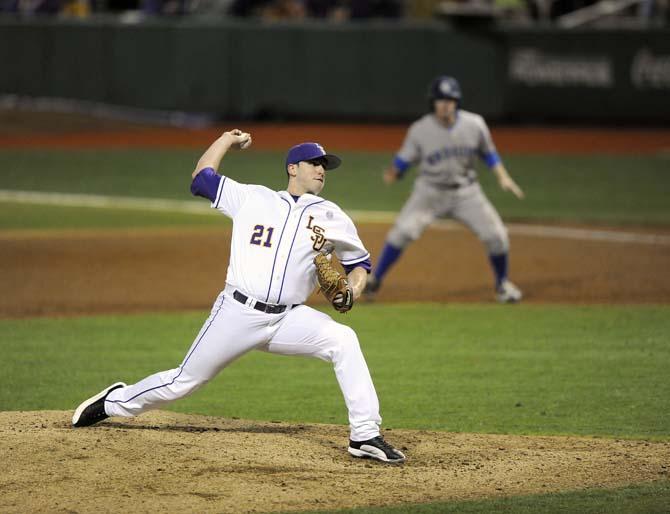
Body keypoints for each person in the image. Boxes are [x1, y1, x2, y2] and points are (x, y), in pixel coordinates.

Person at [71, 129, 405, 465]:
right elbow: (201, 179)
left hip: (288, 318)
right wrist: (226, 141)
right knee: (183, 382)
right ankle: (114, 402)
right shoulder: (253, 198)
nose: (321, 170)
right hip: (237, 313)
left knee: (343, 339)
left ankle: (364, 434)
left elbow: (359, 263)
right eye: (314, 163)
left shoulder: (333, 215)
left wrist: (353, 290)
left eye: (324, 166)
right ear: (292, 168)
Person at [366, 76, 525, 303]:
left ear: (457, 101)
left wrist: (503, 176)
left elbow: (489, 153)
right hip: (429, 192)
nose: (445, 104)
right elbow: (403, 161)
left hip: (467, 193)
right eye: (440, 99)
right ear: (433, 102)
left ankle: (502, 285)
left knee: (497, 236)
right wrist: (394, 173)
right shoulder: (420, 129)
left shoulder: (475, 124)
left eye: (450, 99)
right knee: (401, 232)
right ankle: (375, 280)